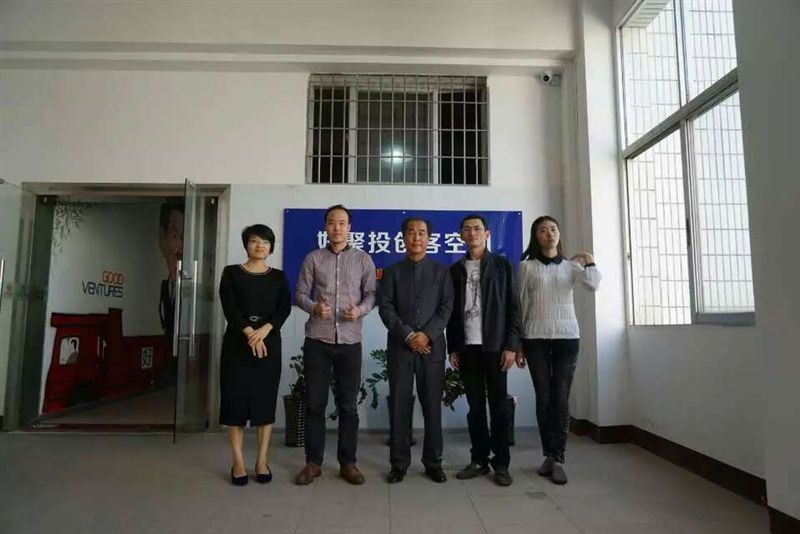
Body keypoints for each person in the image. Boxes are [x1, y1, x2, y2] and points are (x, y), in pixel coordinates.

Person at [294, 205, 377, 486]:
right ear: (325, 227)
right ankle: (313, 463)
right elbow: (300, 294)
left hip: (350, 341)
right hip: (318, 340)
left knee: (348, 406)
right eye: (332, 222)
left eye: (342, 223)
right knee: (315, 404)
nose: (337, 227)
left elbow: (371, 294)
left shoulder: (363, 259)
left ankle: (348, 463)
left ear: (350, 227)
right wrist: (314, 308)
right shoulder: (313, 258)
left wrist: (360, 310)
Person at [515, 216, 601, 485]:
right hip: (535, 338)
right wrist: (518, 343)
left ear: (559, 234)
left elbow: (593, 284)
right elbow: (520, 305)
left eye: (553, 229)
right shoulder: (526, 267)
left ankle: (558, 457)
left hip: (567, 338)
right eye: (543, 230)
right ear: (535, 236)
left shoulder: (571, 267)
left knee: (561, 397)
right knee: (544, 397)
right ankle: (548, 454)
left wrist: (588, 260)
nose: (549, 234)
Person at [446, 214, 521, 487]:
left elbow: (514, 308)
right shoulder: (455, 270)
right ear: (461, 236)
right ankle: (478, 459)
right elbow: (451, 313)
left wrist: (511, 346)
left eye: (477, 229)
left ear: (487, 234)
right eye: (467, 229)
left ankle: (501, 464)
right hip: (468, 348)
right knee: (475, 408)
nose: (472, 233)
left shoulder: (501, 265)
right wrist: (453, 346)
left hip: (496, 347)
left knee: (499, 407)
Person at [378, 218, 454, 484]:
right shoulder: (392, 272)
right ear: (403, 237)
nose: (416, 237)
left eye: (422, 233)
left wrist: (426, 335)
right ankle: (398, 463)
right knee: (399, 405)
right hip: (400, 348)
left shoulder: (442, 272)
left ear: (429, 238)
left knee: (432, 406)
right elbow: (386, 308)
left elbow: (446, 307)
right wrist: (409, 335)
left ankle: (433, 462)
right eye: (411, 232)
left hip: (432, 349)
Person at [219, 224, 291, 486]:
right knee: (234, 402)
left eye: (265, 242)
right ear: (246, 245)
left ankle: (261, 460)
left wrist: (264, 331)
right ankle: (238, 461)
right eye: (254, 241)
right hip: (237, 344)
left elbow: (284, 308)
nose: (260, 246)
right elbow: (230, 307)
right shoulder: (231, 273)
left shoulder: (278, 277)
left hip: (268, 344)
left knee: (264, 402)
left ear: (271, 247)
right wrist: (250, 333)